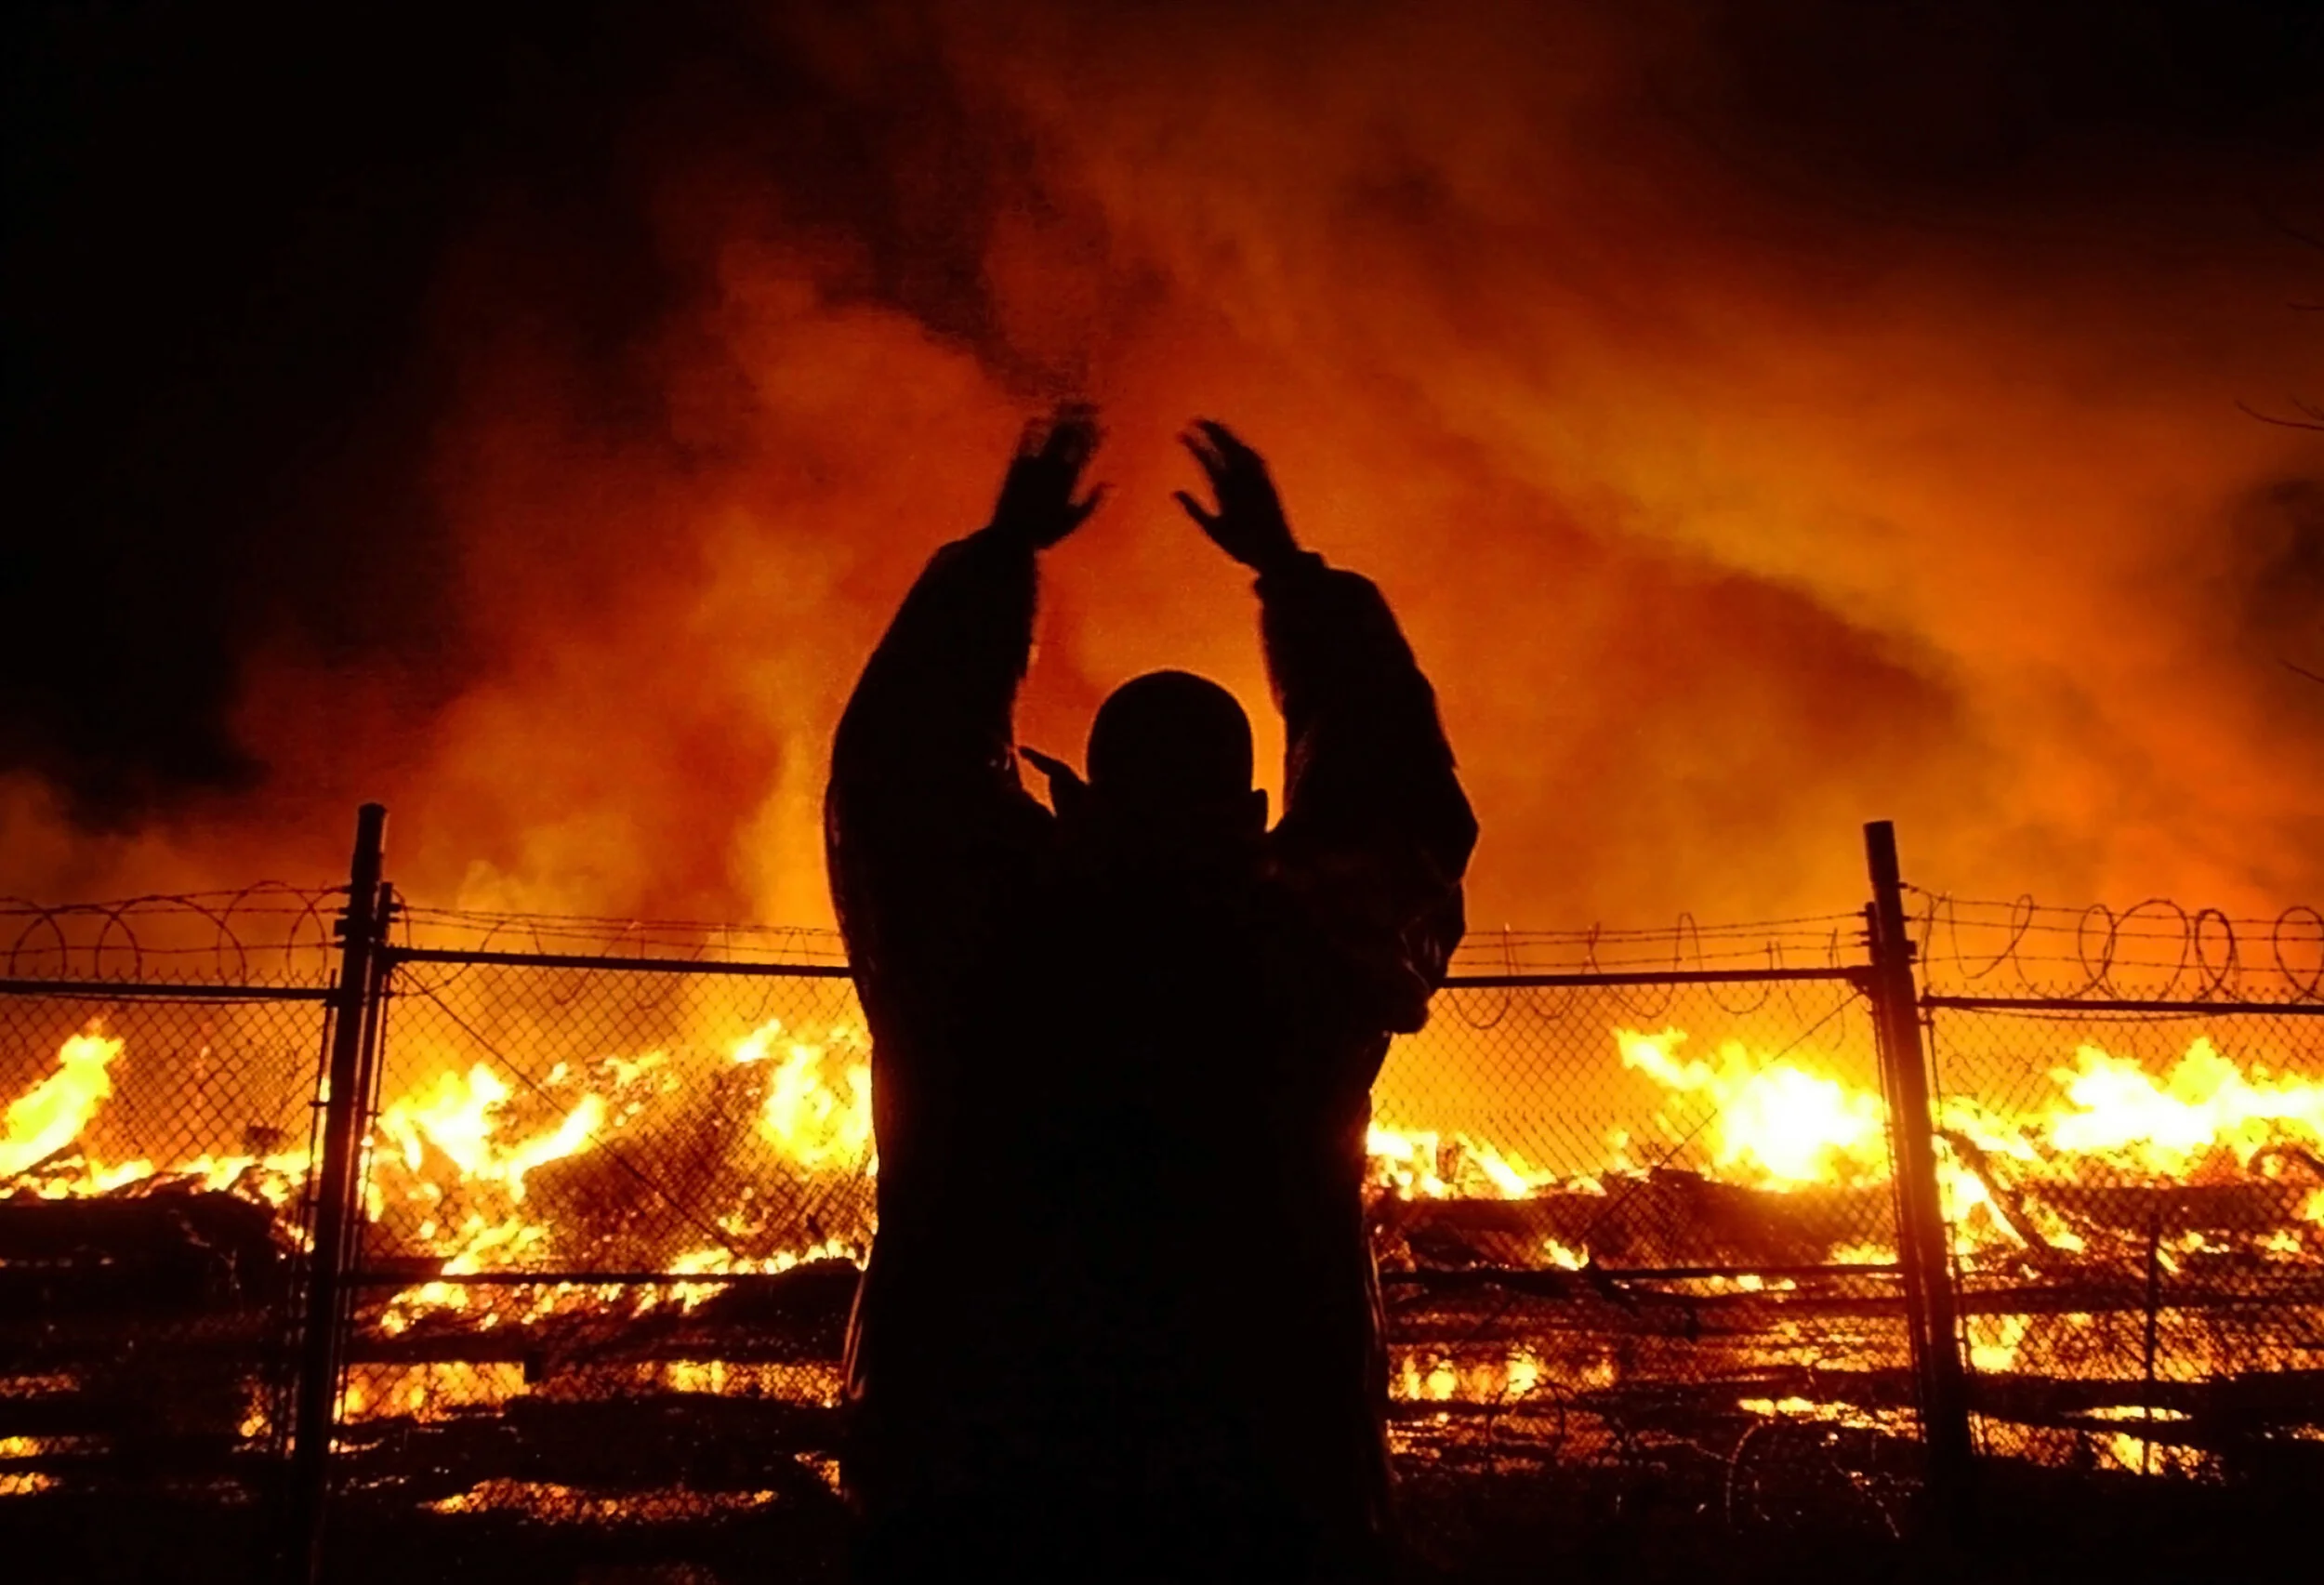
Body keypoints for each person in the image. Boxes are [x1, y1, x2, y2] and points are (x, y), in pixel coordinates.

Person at [825, 406, 1475, 1582]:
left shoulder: (982, 935)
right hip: (1272, 1472)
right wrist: (1292, 581)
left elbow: (896, 775)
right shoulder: (1307, 942)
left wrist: (998, 559)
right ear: (1253, 816)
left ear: (1078, 799)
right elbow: (1399, 803)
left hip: (972, 1480)